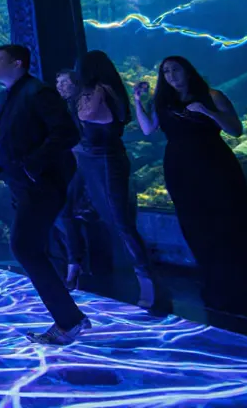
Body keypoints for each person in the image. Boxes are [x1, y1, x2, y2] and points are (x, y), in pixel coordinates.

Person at [134, 56, 247, 320]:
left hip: (215, 165)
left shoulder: (213, 95)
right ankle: (218, 288)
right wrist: (137, 102)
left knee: (231, 224)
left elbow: (235, 129)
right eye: (165, 71)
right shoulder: (163, 102)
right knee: (198, 228)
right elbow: (147, 129)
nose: (170, 76)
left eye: (175, 70)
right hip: (180, 170)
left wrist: (208, 112)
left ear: (188, 71)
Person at [0, 44, 87, 345]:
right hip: (21, 184)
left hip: (41, 184)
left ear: (18, 63)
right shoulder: (5, 97)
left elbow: (67, 133)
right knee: (31, 248)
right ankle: (70, 316)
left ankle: (69, 321)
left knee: (24, 247)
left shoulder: (38, 93)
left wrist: (32, 165)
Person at [74, 51, 155, 309]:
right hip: (93, 161)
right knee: (109, 218)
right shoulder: (100, 89)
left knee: (121, 221)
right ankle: (135, 274)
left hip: (107, 161)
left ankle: (147, 279)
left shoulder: (102, 90)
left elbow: (85, 114)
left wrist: (83, 95)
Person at [54, 69, 89, 291]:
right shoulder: (68, 107)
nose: (60, 86)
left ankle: (75, 264)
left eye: (64, 82)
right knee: (63, 213)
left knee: (64, 212)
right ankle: (74, 262)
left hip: (88, 164)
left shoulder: (82, 105)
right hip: (74, 165)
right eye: (58, 83)